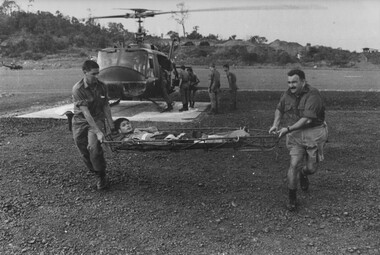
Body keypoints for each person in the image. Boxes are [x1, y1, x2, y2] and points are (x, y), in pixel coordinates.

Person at [268, 69, 328, 211]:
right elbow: (279, 109)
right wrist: (276, 124)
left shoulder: (313, 94)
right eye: (289, 82)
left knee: (311, 168)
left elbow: (307, 120)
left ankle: (304, 173)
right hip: (295, 133)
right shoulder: (287, 94)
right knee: (294, 164)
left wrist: (287, 129)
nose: (291, 85)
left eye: (294, 82)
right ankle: (292, 198)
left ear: (303, 81)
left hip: (314, 133)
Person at [72, 60, 115, 190]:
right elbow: (86, 113)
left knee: (94, 149)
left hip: (97, 119)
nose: (97, 77)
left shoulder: (102, 86)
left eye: (98, 73)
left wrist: (111, 125)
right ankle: (94, 170)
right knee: (83, 150)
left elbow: (106, 106)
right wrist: (98, 132)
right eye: (93, 74)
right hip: (80, 121)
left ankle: (101, 175)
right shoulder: (78, 89)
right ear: (85, 73)